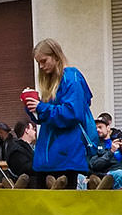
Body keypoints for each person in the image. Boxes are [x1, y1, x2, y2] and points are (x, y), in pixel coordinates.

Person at [25, 38, 96, 189]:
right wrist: (33, 108)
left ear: (56, 56)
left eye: (44, 61)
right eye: (38, 63)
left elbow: (72, 113)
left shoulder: (71, 77)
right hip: (50, 158)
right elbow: (48, 117)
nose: (41, 66)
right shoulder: (55, 81)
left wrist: (41, 107)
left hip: (66, 158)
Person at [88, 114, 122, 188]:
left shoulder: (117, 141)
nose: (97, 130)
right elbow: (95, 165)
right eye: (96, 128)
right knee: (119, 174)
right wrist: (111, 151)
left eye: (100, 127)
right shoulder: (94, 146)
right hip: (108, 175)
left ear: (108, 128)